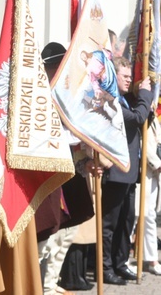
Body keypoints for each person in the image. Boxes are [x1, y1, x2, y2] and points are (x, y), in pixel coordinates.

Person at [37, 42, 95, 295]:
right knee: (46, 235)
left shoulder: (67, 94)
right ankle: (42, 286)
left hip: (68, 170)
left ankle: (50, 283)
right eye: (55, 67)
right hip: (45, 174)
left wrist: (87, 154)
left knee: (65, 232)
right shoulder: (37, 97)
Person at [100, 56, 152, 285]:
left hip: (130, 171)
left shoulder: (125, 99)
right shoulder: (112, 100)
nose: (130, 79)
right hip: (117, 170)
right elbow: (138, 118)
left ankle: (120, 263)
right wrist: (146, 95)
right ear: (114, 76)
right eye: (125, 76)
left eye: (131, 76)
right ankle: (105, 268)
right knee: (109, 224)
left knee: (126, 221)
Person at [141, 117, 161, 275]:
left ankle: (152, 259)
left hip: (152, 173)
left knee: (149, 215)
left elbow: (158, 133)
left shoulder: (149, 106)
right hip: (140, 171)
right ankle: (124, 259)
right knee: (135, 216)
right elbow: (141, 140)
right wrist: (157, 163)